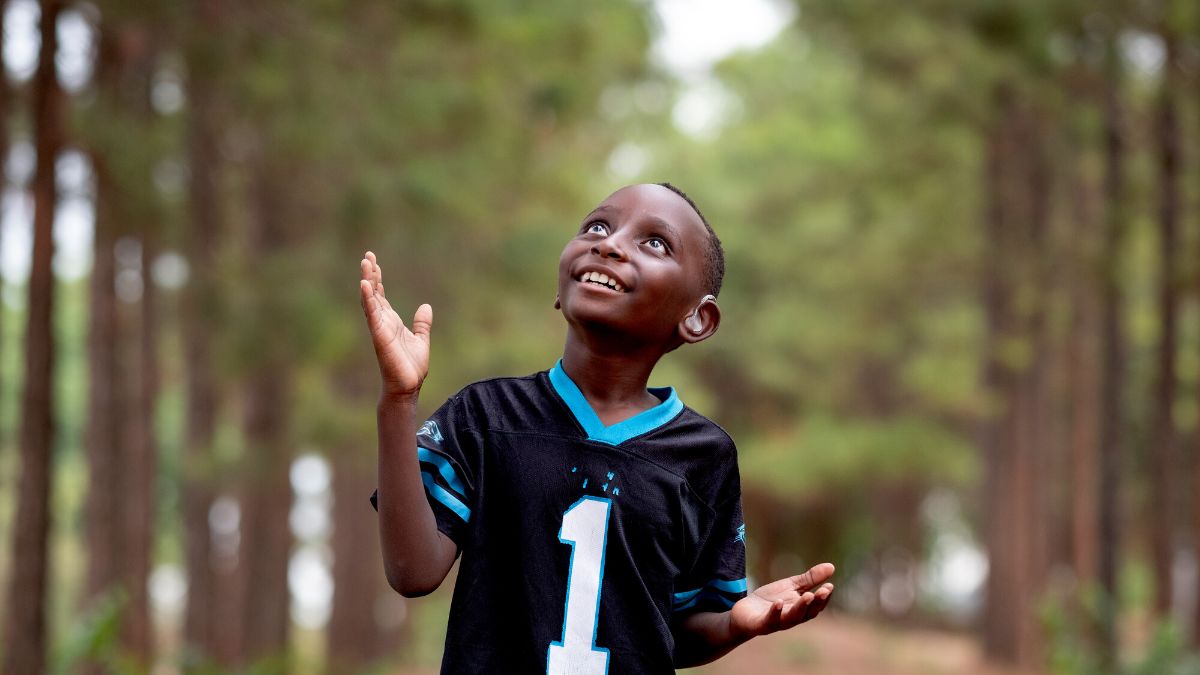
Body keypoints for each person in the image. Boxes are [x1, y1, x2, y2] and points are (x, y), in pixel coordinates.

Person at [359, 183, 835, 673]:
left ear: (697, 318)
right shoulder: (486, 416)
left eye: (654, 243)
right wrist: (398, 402)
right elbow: (413, 572)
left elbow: (676, 629)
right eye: (597, 226)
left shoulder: (703, 456)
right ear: (560, 286)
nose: (608, 244)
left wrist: (734, 625)